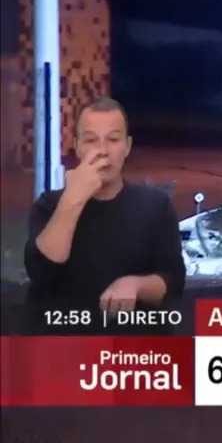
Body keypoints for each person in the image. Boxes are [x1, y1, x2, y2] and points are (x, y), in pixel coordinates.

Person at [23, 97, 186, 334]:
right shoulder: (49, 205)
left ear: (127, 146)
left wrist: (136, 285)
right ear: (78, 147)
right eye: (91, 140)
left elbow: (174, 281)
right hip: (64, 342)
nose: (103, 151)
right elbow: (41, 272)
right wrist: (73, 199)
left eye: (113, 139)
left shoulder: (155, 206)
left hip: (132, 346)